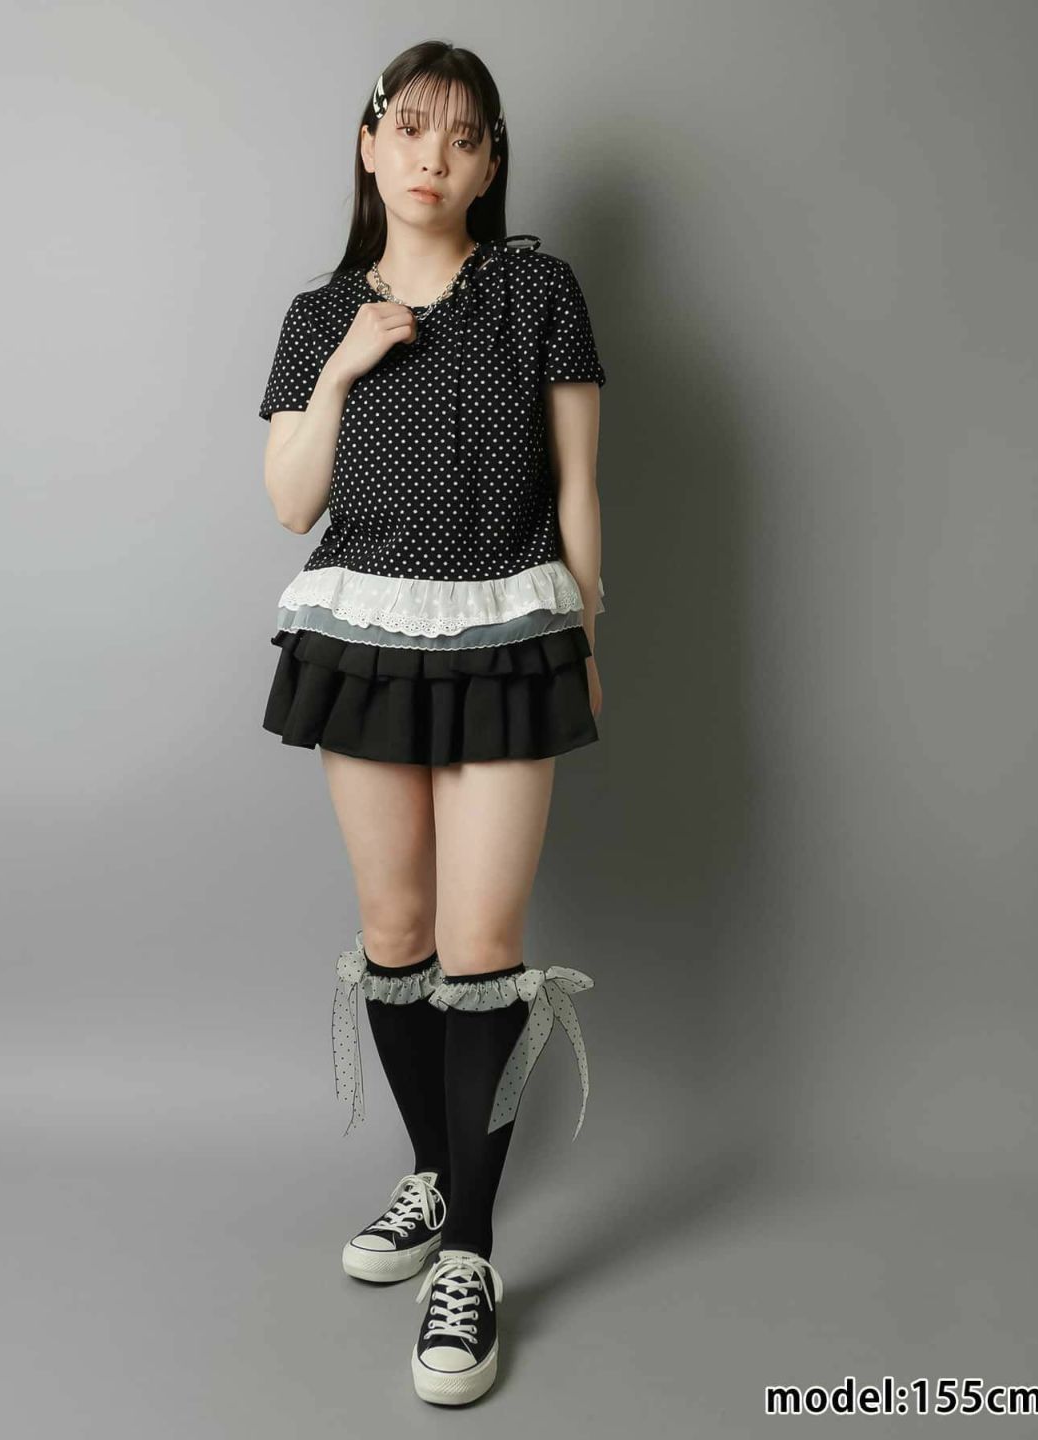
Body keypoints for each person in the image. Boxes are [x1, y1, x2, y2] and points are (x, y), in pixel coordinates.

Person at [257, 40, 606, 1406]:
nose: (432, 158)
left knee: (483, 944)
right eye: (410, 129)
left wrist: (590, 640)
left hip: (511, 633)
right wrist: (344, 368)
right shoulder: (318, 316)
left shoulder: (538, 292)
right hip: (366, 639)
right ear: (369, 144)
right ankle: (432, 1173)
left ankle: (471, 1252)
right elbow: (291, 502)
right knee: (396, 932)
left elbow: (579, 489)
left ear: (491, 161)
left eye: (463, 138)